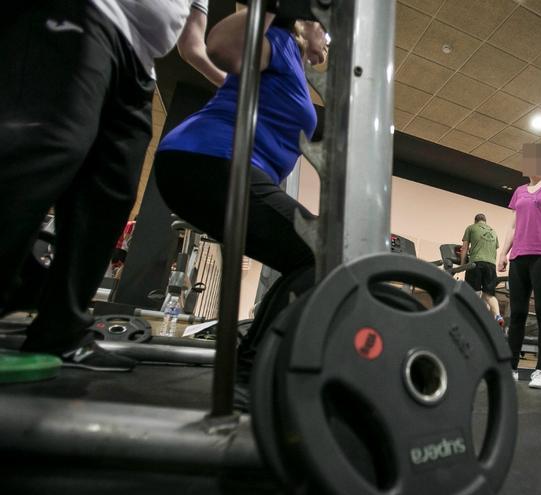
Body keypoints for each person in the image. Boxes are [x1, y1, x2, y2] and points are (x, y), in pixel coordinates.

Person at [0, 0, 220, 372]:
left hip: (140, 64)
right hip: (85, 15)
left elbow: (192, 45)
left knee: (112, 190)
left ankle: (61, 333)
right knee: (50, 149)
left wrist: (232, 85)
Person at [153, 9, 328, 408]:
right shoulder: (279, 42)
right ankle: (251, 374)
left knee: (309, 255)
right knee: (321, 249)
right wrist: (274, 7)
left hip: (217, 163)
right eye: (325, 29)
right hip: (210, 158)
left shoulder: (291, 63)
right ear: (303, 23)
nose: (328, 41)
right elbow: (220, 47)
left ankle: (251, 367)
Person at [498, 176, 541, 390]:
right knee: (517, 314)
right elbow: (513, 226)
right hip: (518, 256)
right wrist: (503, 253)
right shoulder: (519, 190)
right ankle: (511, 368)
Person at [461, 214, 503, 328]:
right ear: (485, 221)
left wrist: (462, 264)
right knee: (488, 294)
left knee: (473, 292)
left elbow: (464, 248)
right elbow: (493, 248)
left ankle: (472, 318)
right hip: (491, 265)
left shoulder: (471, 227)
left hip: (476, 263)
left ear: (475, 221)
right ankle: (497, 316)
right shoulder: (493, 232)